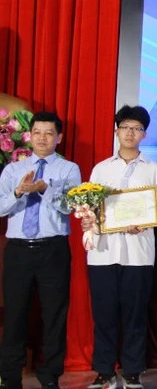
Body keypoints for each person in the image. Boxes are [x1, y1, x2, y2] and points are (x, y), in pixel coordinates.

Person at [83, 105, 157, 389]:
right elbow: (90, 206)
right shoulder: (101, 169)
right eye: (125, 127)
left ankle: (132, 371)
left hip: (139, 254)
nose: (131, 133)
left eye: (137, 128)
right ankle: (104, 372)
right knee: (104, 314)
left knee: (134, 315)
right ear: (116, 130)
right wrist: (89, 219)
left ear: (144, 134)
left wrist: (147, 221)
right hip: (103, 252)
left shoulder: (155, 171)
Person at [0, 111, 81, 389]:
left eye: (49, 133)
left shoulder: (69, 169)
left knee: (54, 315)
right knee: (14, 313)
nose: (43, 138)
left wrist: (46, 189)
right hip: (18, 250)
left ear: (59, 137)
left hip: (53, 249)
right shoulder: (12, 170)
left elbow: (71, 207)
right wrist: (19, 193)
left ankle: (50, 377)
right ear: (29, 135)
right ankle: (10, 377)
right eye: (37, 133)